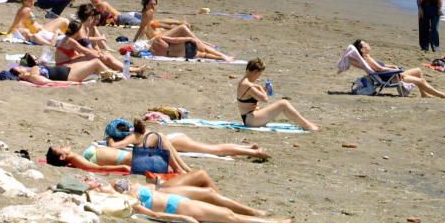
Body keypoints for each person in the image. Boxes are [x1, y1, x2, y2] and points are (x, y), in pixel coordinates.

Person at [109, 178, 294, 223]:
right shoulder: (124, 200)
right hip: (178, 206)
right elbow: (154, 215)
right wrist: (182, 217)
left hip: (177, 200)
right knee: (229, 216)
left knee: (223, 211)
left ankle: (257, 215)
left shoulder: (111, 188)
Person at [106, 118, 269, 161]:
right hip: (174, 138)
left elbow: (114, 146)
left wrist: (110, 141)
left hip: (175, 142)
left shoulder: (133, 136)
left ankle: (255, 152)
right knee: (212, 147)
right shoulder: (136, 131)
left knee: (214, 150)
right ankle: (249, 147)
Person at [342, 40, 445, 98]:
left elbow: (381, 67)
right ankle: (442, 95)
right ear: (362, 49)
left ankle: (424, 94)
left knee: (418, 71)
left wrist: (391, 67)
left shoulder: (367, 58)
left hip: (391, 74)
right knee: (421, 81)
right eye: (365, 44)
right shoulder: (367, 59)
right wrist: (395, 69)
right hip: (392, 77)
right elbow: (380, 68)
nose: (367, 44)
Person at [236, 58, 319, 131]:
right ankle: (307, 125)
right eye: (259, 74)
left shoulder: (243, 82)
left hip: (249, 118)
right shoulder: (248, 85)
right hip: (251, 120)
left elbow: (250, 97)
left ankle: (306, 123)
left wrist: (263, 89)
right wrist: (261, 88)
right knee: (283, 103)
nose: (259, 77)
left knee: (283, 104)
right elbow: (264, 99)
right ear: (255, 72)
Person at [44, 141, 191, 174]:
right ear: (63, 157)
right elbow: (96, 168)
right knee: (161, 139)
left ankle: (185, 169)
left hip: (129, 157)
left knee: (162, 139)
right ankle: (182, 170)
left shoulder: (75, 158)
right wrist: (121, 168)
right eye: (60, 148)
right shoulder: (75, 159)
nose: (63, 145)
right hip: (127, 160)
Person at [10, 58, 117, 85]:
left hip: (67, 69)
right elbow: (52, 83)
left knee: (89, 61)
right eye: (19, 68)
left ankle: (110, 74)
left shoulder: (32, 70)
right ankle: (115, 76)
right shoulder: (33, 77)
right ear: (20, 74)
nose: (21, 66)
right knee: (96, 63)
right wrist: (74, 83)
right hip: (69, 76)